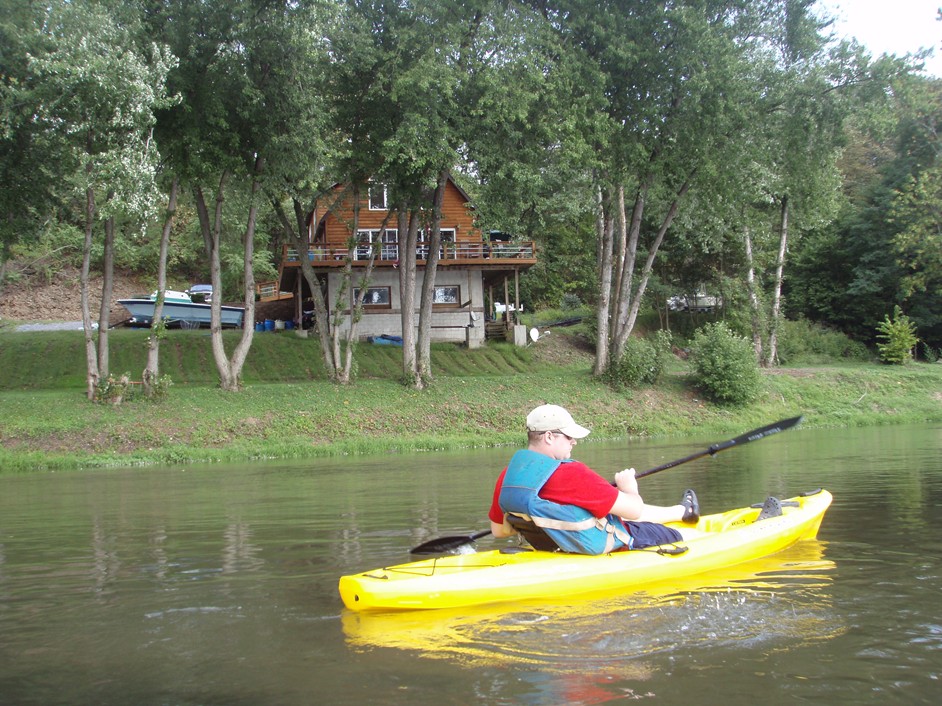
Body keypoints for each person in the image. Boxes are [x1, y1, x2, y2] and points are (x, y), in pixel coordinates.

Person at [488, 404, 699, 555]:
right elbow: (634, 510)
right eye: (569, 437)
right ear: (549, 437)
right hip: (604, 543)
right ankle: (683, 520)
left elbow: (499, 530)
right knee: (675, 534)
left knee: (612, 513)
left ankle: (681, 512)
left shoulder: (508, 475)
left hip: (548, 547)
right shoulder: (572, 473)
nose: (574, 443)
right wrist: (629, 488)